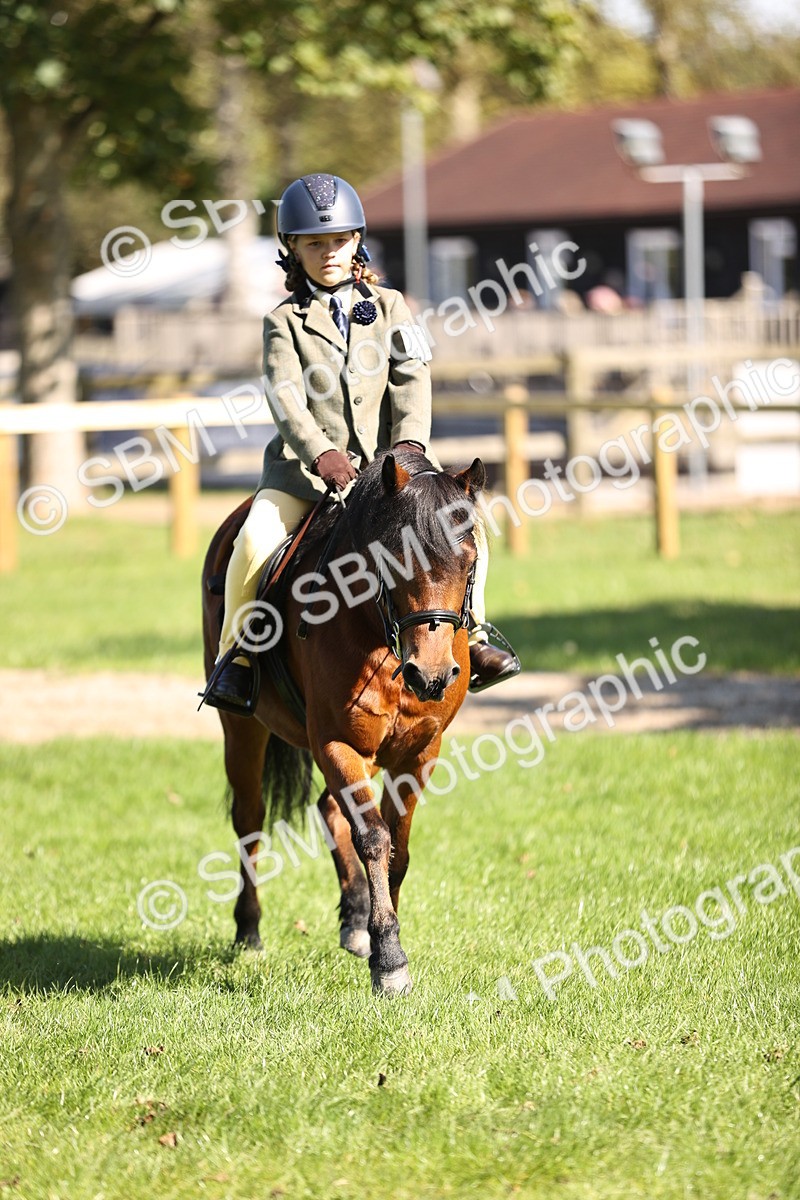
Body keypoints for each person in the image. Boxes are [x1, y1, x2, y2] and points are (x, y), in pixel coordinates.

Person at [206, 173, 518, 712]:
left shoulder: (394, 305)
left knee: (467, 531)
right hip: (303, 474)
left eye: (339, 241)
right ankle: (237, 657)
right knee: (252, 542)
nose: (328, 253)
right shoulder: (283, 322)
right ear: (293, 250)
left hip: (395, 469)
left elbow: (412, 375)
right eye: (314, 244)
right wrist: (320, 454)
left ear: (358, 242)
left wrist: (411, 447)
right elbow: (284, 397)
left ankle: (479, 635)